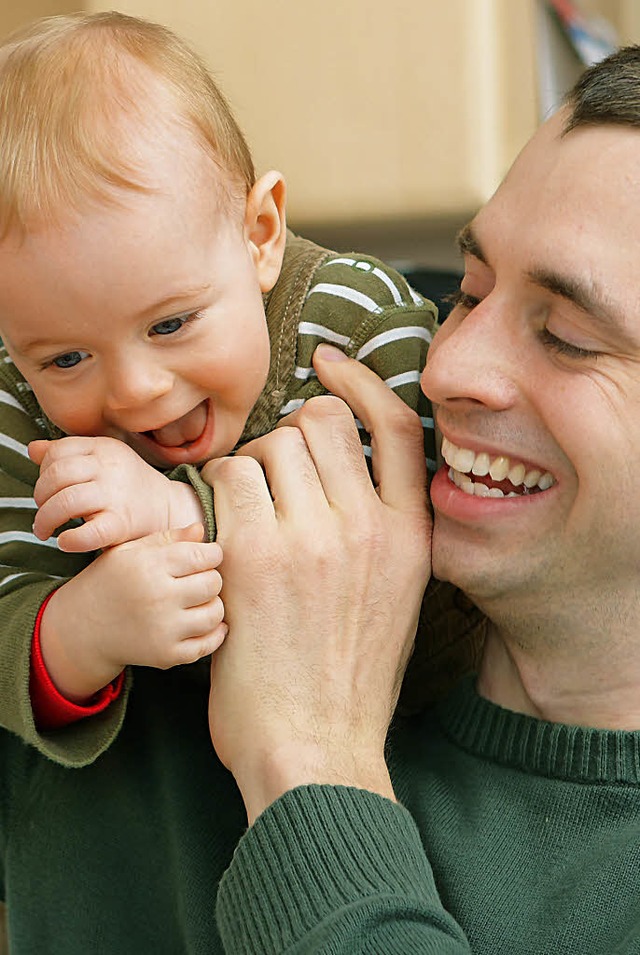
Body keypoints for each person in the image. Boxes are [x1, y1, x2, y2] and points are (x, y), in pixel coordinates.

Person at [198, 45, 640, 952]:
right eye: (469, 292)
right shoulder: (159, 629)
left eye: (564, 337)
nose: (446, 367)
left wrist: (311, 764)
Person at [0, 10, 441, 766]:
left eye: (170, 324)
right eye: (67, 359)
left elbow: (415, 534)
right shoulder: (17, 401)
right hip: (130, 843)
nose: (137, 390)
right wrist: (82, 628)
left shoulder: (352, 317)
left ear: (260, 233)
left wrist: (181, 511)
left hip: (371, 784)